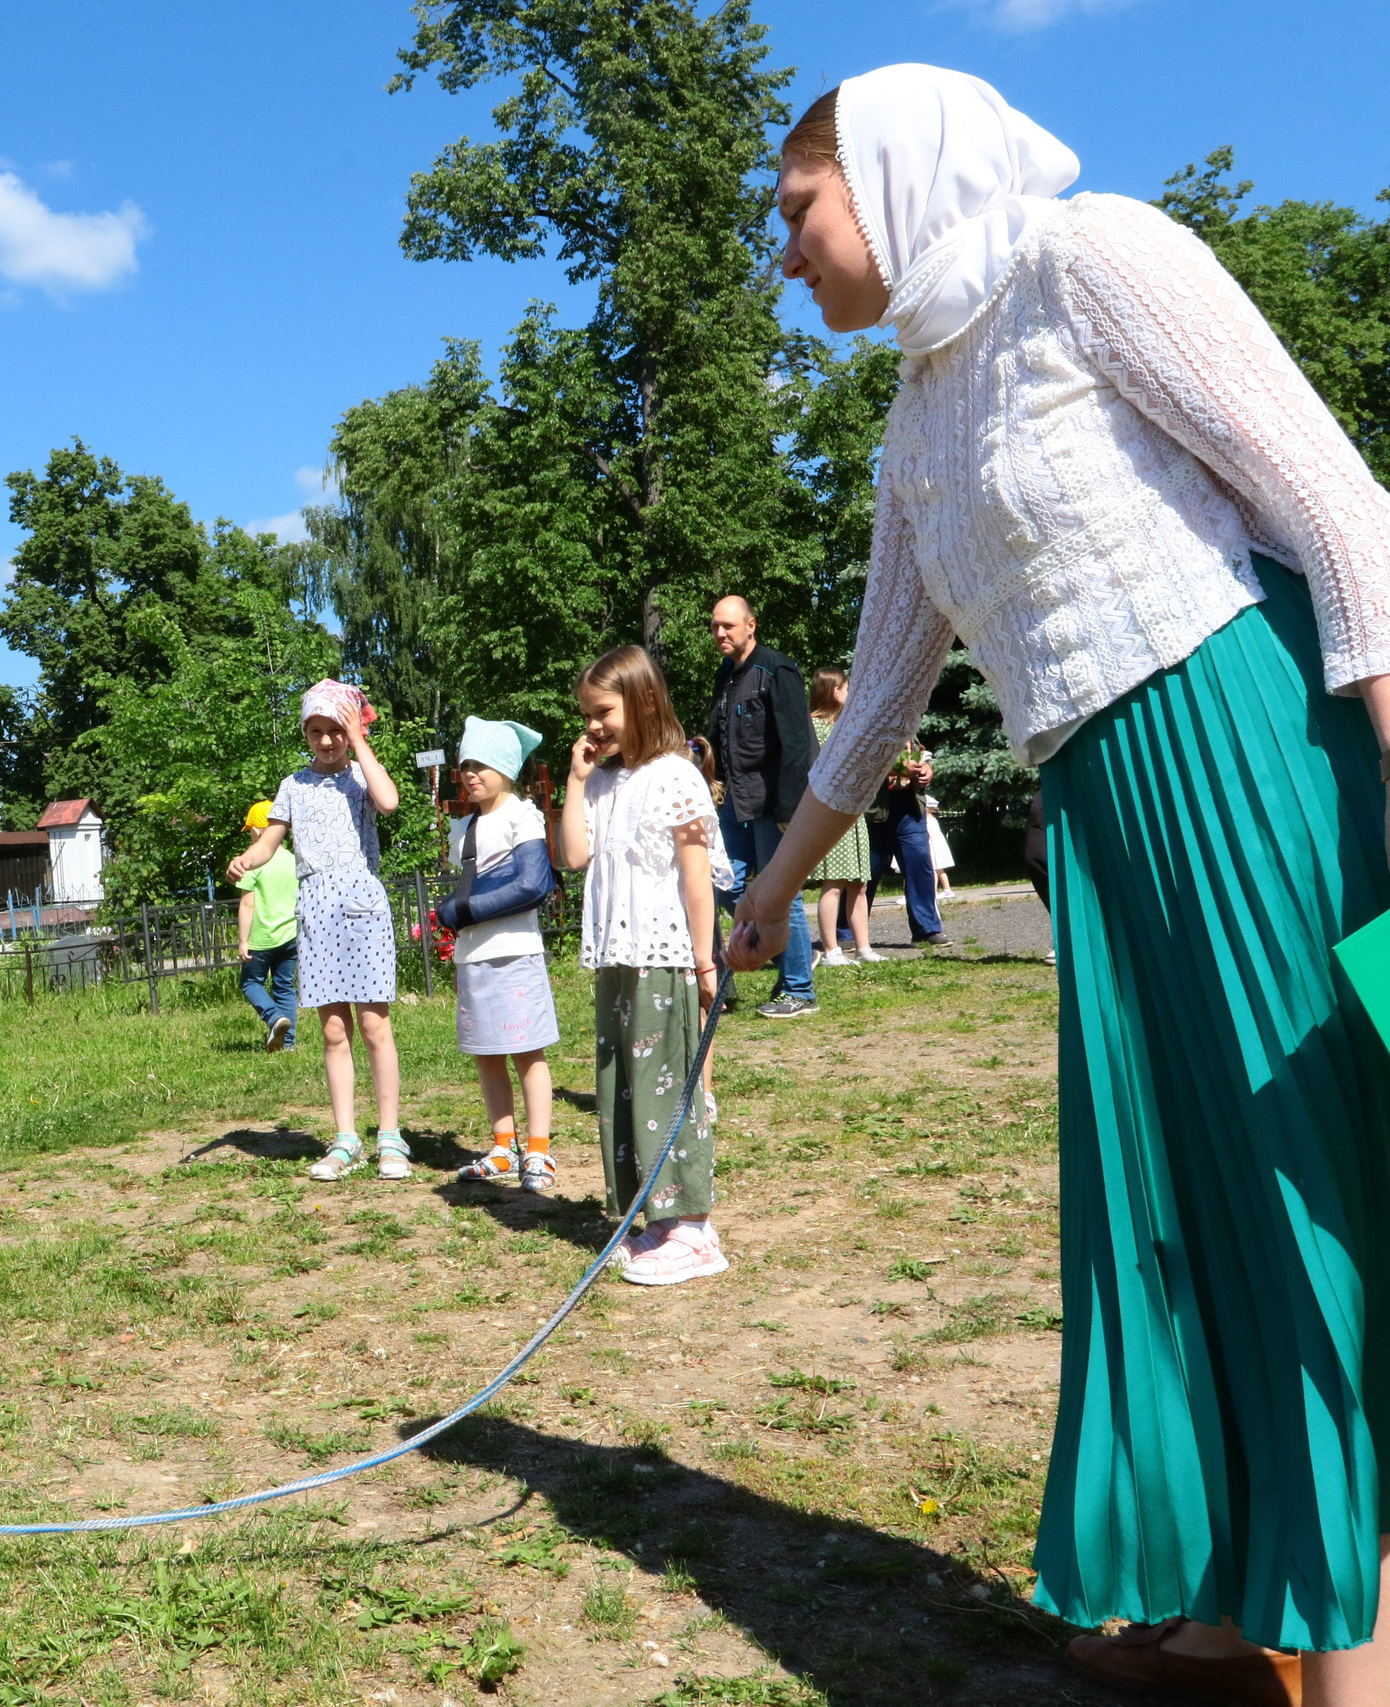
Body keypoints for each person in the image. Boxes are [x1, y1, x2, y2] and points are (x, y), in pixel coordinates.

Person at [735, 65, 1390, 1703]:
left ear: (884, 173)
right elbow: (878, 700)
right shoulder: (911, 422)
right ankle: (1249, 1586)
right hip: (1099, 819)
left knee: (1298, 1200)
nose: (789, 255)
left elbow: (1336, 502)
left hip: (1239, 761)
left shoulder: (1089, 259)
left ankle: (1355, 1633)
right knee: (1170, 1218)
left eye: (799, 212)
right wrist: (764, 897)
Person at [558, 647, 726, 1287]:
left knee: (671, 1083)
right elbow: (575, 855)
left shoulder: (674, 775)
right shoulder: (602, 783)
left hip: (664, 954)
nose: (593, 725)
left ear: (643, 701)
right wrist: (576, 780)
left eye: (603, 712)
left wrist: (704, 958)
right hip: (617, 960)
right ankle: (654, 1219)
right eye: (587, 715)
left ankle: (694, 1229)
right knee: (623, 1085)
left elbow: (695, 874)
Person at [226, 680, 404, 1182]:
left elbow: (388, 802)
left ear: (350, 730)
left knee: (374, 1025)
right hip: (317, 908)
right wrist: (246, 860)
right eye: (316, 731)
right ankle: (345, 1138)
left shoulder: (362, 776)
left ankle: (389, 1137)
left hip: (363, 904)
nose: (326, 741)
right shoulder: (292, 785)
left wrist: (361, 739)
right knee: (332, 1029)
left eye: (335, 730)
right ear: (305, 733)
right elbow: (269, 845)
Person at [432, 717, 557, 1192]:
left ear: (505, 768)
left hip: (515, 953)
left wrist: (458, 910)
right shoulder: (461, 827)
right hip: (473, 957)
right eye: (465, 765)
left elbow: (530, 885)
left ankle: (539, 1152)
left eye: (481, 765)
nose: (470, 774)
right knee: (486, 1053)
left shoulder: (522, 815)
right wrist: (455, 914)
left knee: (527, 1050)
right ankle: (504, 1147)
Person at [706, 596, 819, 1018]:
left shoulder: (777, 668)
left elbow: (796, 741)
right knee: (722, 884)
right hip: (736, 799)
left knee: (781, 893)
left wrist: (791, 808)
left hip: (776, 802)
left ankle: (799, 989)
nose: (720, 633)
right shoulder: (725, 675)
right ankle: (727, 979)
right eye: (715, 626)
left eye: (729, 626)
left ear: (751, 625)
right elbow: (714, 737)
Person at [805, 669, 879, 966]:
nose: (850, 695)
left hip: (853, 812)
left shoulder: (843, 725)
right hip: (831, 813)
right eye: (847, 689)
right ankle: (832, 950)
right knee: (833, 883)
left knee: (858, 884)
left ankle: (864, 947)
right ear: (835, 691)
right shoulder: (814, 727)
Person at [233, 799, 298, 1053]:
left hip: (261, 939)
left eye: (250, 829)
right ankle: (288, 1043)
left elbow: (247, 906)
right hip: (289, 936)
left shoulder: (251, 863)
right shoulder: (293, 860)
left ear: (259, 831)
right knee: (284, 986)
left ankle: (273, 1018)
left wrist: (243, 941)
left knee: (250, 984)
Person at [870, 743, 946, 945]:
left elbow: (921, 752)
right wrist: (899, 768)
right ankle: (846, 932)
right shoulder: (867, 722)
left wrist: (927, 768)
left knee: (919, 864)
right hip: (874, 808)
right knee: (868, 870)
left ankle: (926, 929)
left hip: (910, 805)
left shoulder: (907, 722)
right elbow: (861, 760)